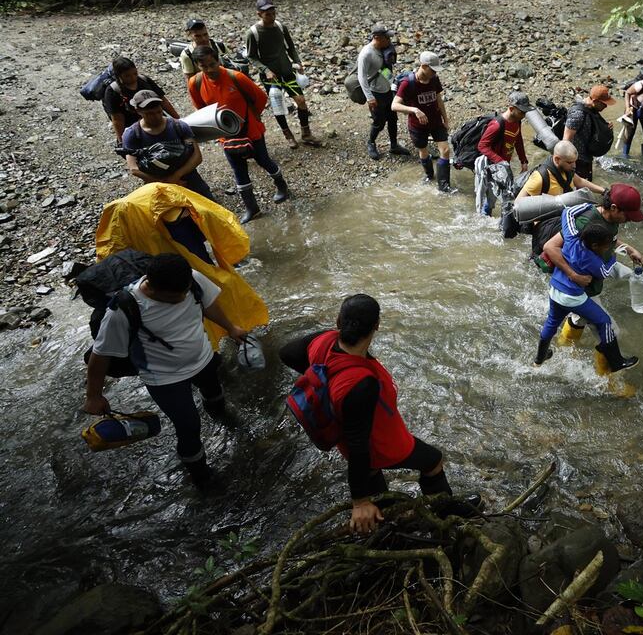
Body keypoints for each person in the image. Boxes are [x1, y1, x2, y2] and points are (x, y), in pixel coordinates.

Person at [279, 294, 481, 532]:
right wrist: (359, 501)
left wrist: (323, 380)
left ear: (338, 321)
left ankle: (386, 518)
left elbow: (287, 353)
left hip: (349, 433)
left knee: (371, 470)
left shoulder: (323, 342)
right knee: (433, 461)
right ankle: (444, 515)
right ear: (377, 325)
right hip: (381, 444)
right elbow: (359, 446)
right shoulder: (362, 383)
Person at [83, 253, 247, 489]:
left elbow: (208, 304)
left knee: (215, 393)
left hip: (203, 357)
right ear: (151, 285)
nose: (182, 299)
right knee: (189, 427)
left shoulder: (192, 280)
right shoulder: (124, 308)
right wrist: (94, 395)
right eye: (174, 297)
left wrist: (231, 327)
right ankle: (201, 477)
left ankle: (221, 414)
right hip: (165, 379)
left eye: (184, 293)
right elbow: (101, 354)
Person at [188, 45, 290, 224]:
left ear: (218, 60)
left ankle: (282, 187)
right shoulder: (195, 83)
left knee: (263, 160)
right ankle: (252, 208)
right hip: (225, 134)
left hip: (250, 129)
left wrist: (251, 117)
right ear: (197, 66)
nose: (210, 70)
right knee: (238, 170)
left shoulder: (236, 77)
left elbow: (260, 98)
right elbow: (201, 109)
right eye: (204, 66)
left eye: (213, 64)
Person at [536, 218, 639, 372]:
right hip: (573, 297)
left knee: (551, 323)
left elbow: (567, 213)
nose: (607, 249)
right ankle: (617, 362)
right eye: (605, 247)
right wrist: (612, 257)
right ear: (595, 246)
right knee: (604, 321)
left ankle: (540, 357)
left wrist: (585, 207)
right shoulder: (591, 260)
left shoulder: (571, 239)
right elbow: (605, 272)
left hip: (555, 290)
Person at [244, 0, 320, 147]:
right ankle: (288, 135)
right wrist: (265, 70)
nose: (271, 17)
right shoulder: (253, 33)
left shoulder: (280, 27)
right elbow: (251, 56)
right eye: (267, 14)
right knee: (278, 105)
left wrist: (297, 61)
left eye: (273, 13)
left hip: (286, 70)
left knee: (301, 101)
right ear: (259, 14)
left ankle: (306, 133)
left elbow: (290, 47)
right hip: (270, 77)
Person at [121, 89, 214, 200]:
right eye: (149, 114)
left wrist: (176, 176)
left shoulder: (178, 126)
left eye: (158, 112)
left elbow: (197, 157)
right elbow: (134, 168)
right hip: (156, 184)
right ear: (138, 111)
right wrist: (165, 182)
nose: (156, 116)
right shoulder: (132, 134)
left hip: (188, 178)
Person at [518, 140, 606, 255]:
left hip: (563, 221)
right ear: (557, 159)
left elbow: (580, 181)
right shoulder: (540, 177)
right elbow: (518, 203)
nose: (574, 165)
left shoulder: (567, 170)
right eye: (570, 162)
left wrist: (604, 191)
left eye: (575, 162)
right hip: (545, 229)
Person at [392, 51, 452, 191]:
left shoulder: (434, 79)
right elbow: (394, 105)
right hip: (417, 125)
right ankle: (429, 175)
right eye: (432, 69)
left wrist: (446, 119)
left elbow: (438, 99)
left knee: (446, 150)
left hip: (436, 121)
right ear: (423, 66)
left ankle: (444, 186)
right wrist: (415, 110)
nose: (434, 73)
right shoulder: (408, 83)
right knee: (423, 151)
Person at [474, 92, 531, 217]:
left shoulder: (517, 121)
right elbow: (482, 146)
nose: (524, 115)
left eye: (525, 112)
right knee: (486, 195)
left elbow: (518, 140)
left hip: (503, 165)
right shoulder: (497, 125)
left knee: (499, 196)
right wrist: (500, 161)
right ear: (511, 109)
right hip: (490, 165)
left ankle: (490, 215)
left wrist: (523, 161)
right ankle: (482, 217)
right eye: (522, 112)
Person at [102, 57, 180, 144]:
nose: (133, 78)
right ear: (118, 76)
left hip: (158, 121)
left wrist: (178, 120)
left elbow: (164, 102)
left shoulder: (144, 81)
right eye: (127, 76)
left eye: (135, 73)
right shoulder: (113, 92)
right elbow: (117, 119)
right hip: (135, 128)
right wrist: (122, 141)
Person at [357, 23, 406, 160]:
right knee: (379, 122)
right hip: (375, 93)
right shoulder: (366, 54)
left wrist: (394, 85)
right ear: (377, 37)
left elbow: (383, 69)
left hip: (387, 91)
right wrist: (369, 97)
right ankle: (371, 143)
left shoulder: (382, 49)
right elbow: (362, 77)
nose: (389, 41)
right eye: (387, 38)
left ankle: (394, 145)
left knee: (392, 119)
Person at [563, 84, 616, 181]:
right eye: (604, 103)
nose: (606, 106)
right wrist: (570, 164)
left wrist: (604, 126)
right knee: (580, 190)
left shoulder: (591, 109)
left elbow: (591, 126)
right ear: (595, 101)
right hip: (577, 160)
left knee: (586, 186)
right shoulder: (578, 114)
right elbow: (566, 141)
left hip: (586, 157)